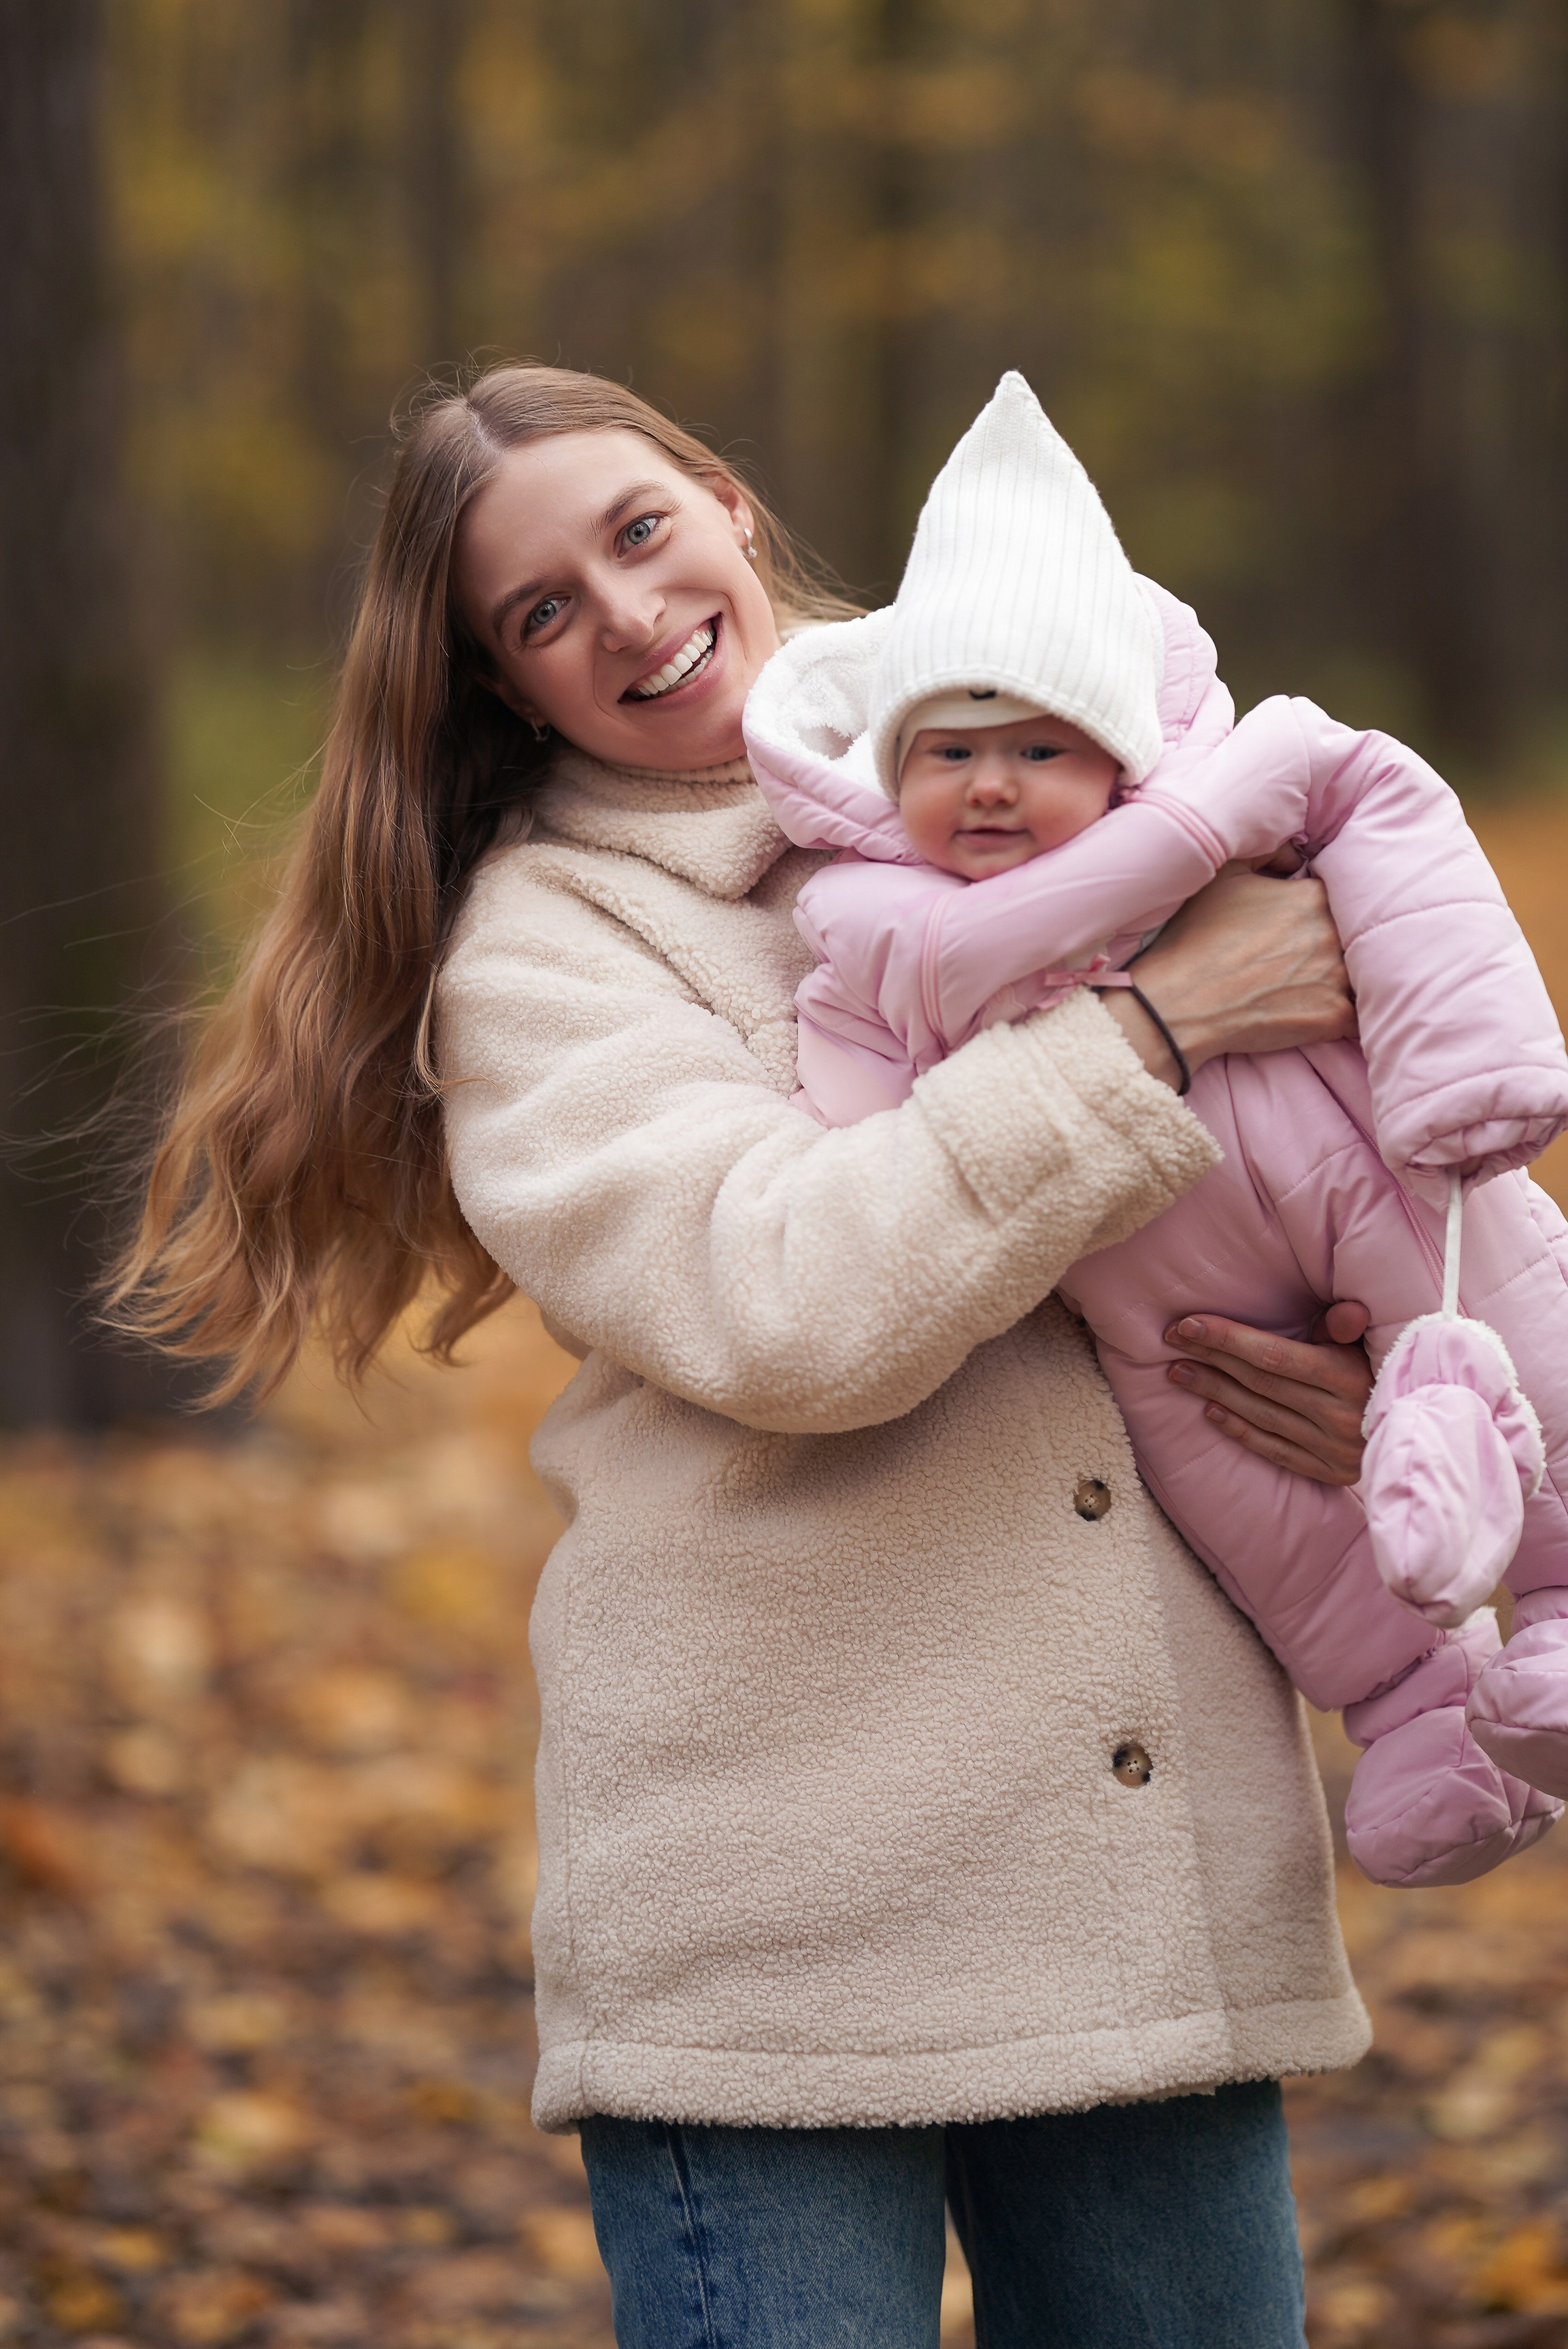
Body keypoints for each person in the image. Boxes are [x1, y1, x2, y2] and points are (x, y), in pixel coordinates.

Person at [115, 363, 1390, 2349]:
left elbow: (1322, 1174)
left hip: (1132, 1872)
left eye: (636, 533)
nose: (624, 615)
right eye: (540, 612)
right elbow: (782, 1305)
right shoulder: (545, 952)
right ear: (502, 689)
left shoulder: (1044, 740)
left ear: (718, 500)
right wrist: (1149, 1032)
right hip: (776, 1936)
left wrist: (1375, 1387)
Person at [744, 372, 1568, 1892]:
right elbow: (866, 1170)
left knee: (1521, 1341)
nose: (990, 782)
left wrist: (1475, 1069)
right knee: (1267, 1516)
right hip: (1166, 1309)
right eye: (948, 750)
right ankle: (1417, 1713)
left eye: (1042, 749)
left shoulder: (1248, 806)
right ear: (892, 772)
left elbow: (1398, 833)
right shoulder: (866, 941)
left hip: (1377, 1176)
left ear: (1121, 760)